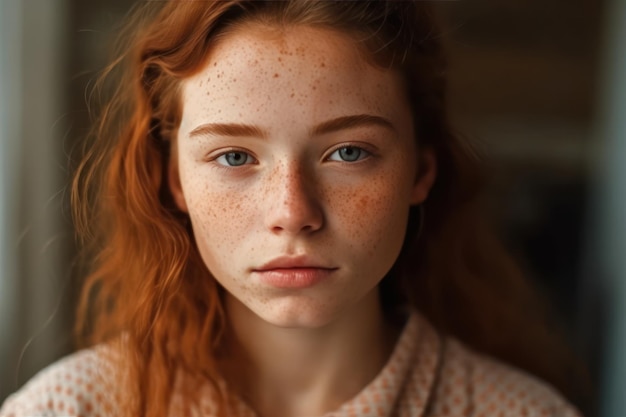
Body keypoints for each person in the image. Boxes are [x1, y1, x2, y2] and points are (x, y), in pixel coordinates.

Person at [0, 1, 585, 416]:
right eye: (233, 157)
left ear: (420, 170)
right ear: (173, 179)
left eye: (348, 152)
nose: (292, 212)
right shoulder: (66, 409)